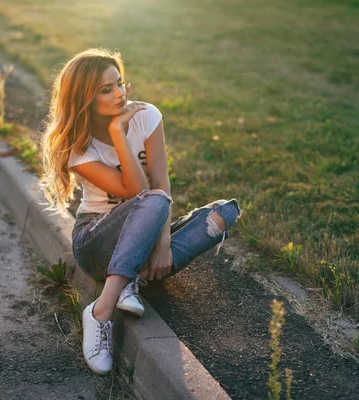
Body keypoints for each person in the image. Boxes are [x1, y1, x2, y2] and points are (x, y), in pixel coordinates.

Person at [39, 48, 242, 375]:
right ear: (84, 100)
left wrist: (162, 242)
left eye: (119, 83)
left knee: (223, 216)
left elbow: (161, 181)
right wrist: (119, 132)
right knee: (154, 200)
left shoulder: (147, 116)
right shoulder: (79, 147)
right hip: (96, 242)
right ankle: (101, 311)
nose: (119, 93)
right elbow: (138, 191)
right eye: (106, 90)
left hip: (147, 226)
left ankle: (133, 271)